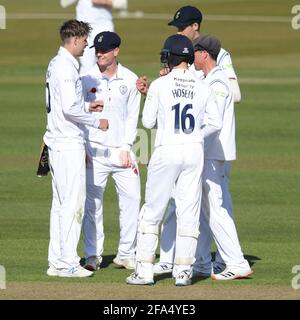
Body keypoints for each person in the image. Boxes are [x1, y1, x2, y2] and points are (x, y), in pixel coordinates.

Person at [140, 5, 242, 276]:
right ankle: (183, 261)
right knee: (186, 205)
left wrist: (197, 87)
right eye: (176, 28)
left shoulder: (218, 58)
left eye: (182, 27)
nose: (179, 31)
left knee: (213, 205)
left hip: (209, 144)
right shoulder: (181, 57)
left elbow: (232, 92)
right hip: (192, 144)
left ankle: (228, 260)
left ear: (195, 26)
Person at [126, 34, 222, 286]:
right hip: (193, 151)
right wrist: (195, 137)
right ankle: (183, 272)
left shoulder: (159, 84)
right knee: (188, 211)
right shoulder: (202, 86)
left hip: (166, 149)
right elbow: (215, 122)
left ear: (173, 57)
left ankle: (144, 271)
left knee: (152, 210)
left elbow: (147, 122)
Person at [44, 19, 109, 278]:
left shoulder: (54, 63)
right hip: (68, 143)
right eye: (84, 41)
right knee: (72, 204)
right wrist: (96, 120)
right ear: (74, 39)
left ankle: (56, 261)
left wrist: (86, 106)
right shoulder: (66, 67)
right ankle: (69, 262)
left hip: (57, 141)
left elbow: (67, 104)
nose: (86, 46)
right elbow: (68, 108)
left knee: (60, 205)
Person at [192, 35, 252, 279]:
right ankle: (204, 263)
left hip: (213, 153)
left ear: (204, 54)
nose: (192, 57)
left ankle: (236, 263)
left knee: (216, 208)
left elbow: (213, 122)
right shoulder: (209, 79)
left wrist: (193, 140)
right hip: (209, 152)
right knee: (208, 210)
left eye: (195, 53)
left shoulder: (217, 81)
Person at [81, 31, 141, 271]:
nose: (100, 54)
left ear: (116, 51)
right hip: (94, 151)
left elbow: (132, 118)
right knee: (92, 204)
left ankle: (126, 253)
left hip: (122, 151)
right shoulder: (86, 79)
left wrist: (127, 147)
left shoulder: (130, 79)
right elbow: (78, 115)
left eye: (105, 50)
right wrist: (83, 147)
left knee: (132, 200)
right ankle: (92, 256)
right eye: (97, 50)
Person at [76, 0, 128, 74]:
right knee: (86, 63)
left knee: (106, 61)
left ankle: (108, 83)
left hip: (104, 25)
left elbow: (122, 3)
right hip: (84, 25)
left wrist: (104, 2)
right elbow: (64, 2)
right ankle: (85, 84)